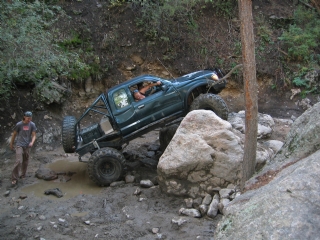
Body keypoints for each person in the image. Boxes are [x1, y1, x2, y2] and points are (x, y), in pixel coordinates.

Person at [10, 111, 37, 187]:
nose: (29, 120)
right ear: (24, 117)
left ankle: (23, 174)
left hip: (27, 145)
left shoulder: (32, 125)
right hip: (19, 145)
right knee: (19, 161)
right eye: (28, 118)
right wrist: (11, 144)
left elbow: (34, 135)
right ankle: (14, 178)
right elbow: (14, 134)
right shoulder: (19, 125)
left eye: (30, 118)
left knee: (25, 161)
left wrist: (32, 142)